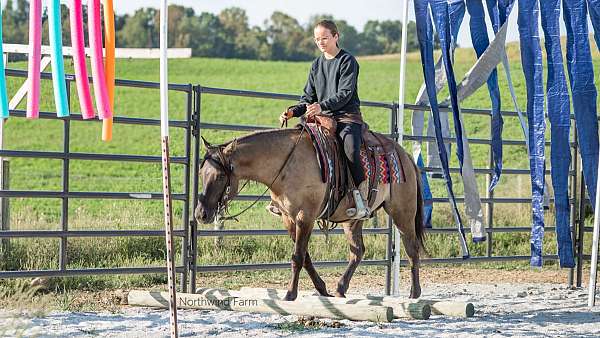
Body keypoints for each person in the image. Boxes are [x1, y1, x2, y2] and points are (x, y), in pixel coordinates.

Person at [280, 20, 370, 220]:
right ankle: (285, 198)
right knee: (295, 144)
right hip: (320, 118)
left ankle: (361, 199)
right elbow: (307, 97)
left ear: (336, 36)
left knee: (351, 150)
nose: (320, 42)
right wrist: (293, 112)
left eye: (325, 38)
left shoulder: (348, 61)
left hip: (346, 117)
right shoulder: (316, 64)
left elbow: (345, 93)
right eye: (317, 39)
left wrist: (322, 106)